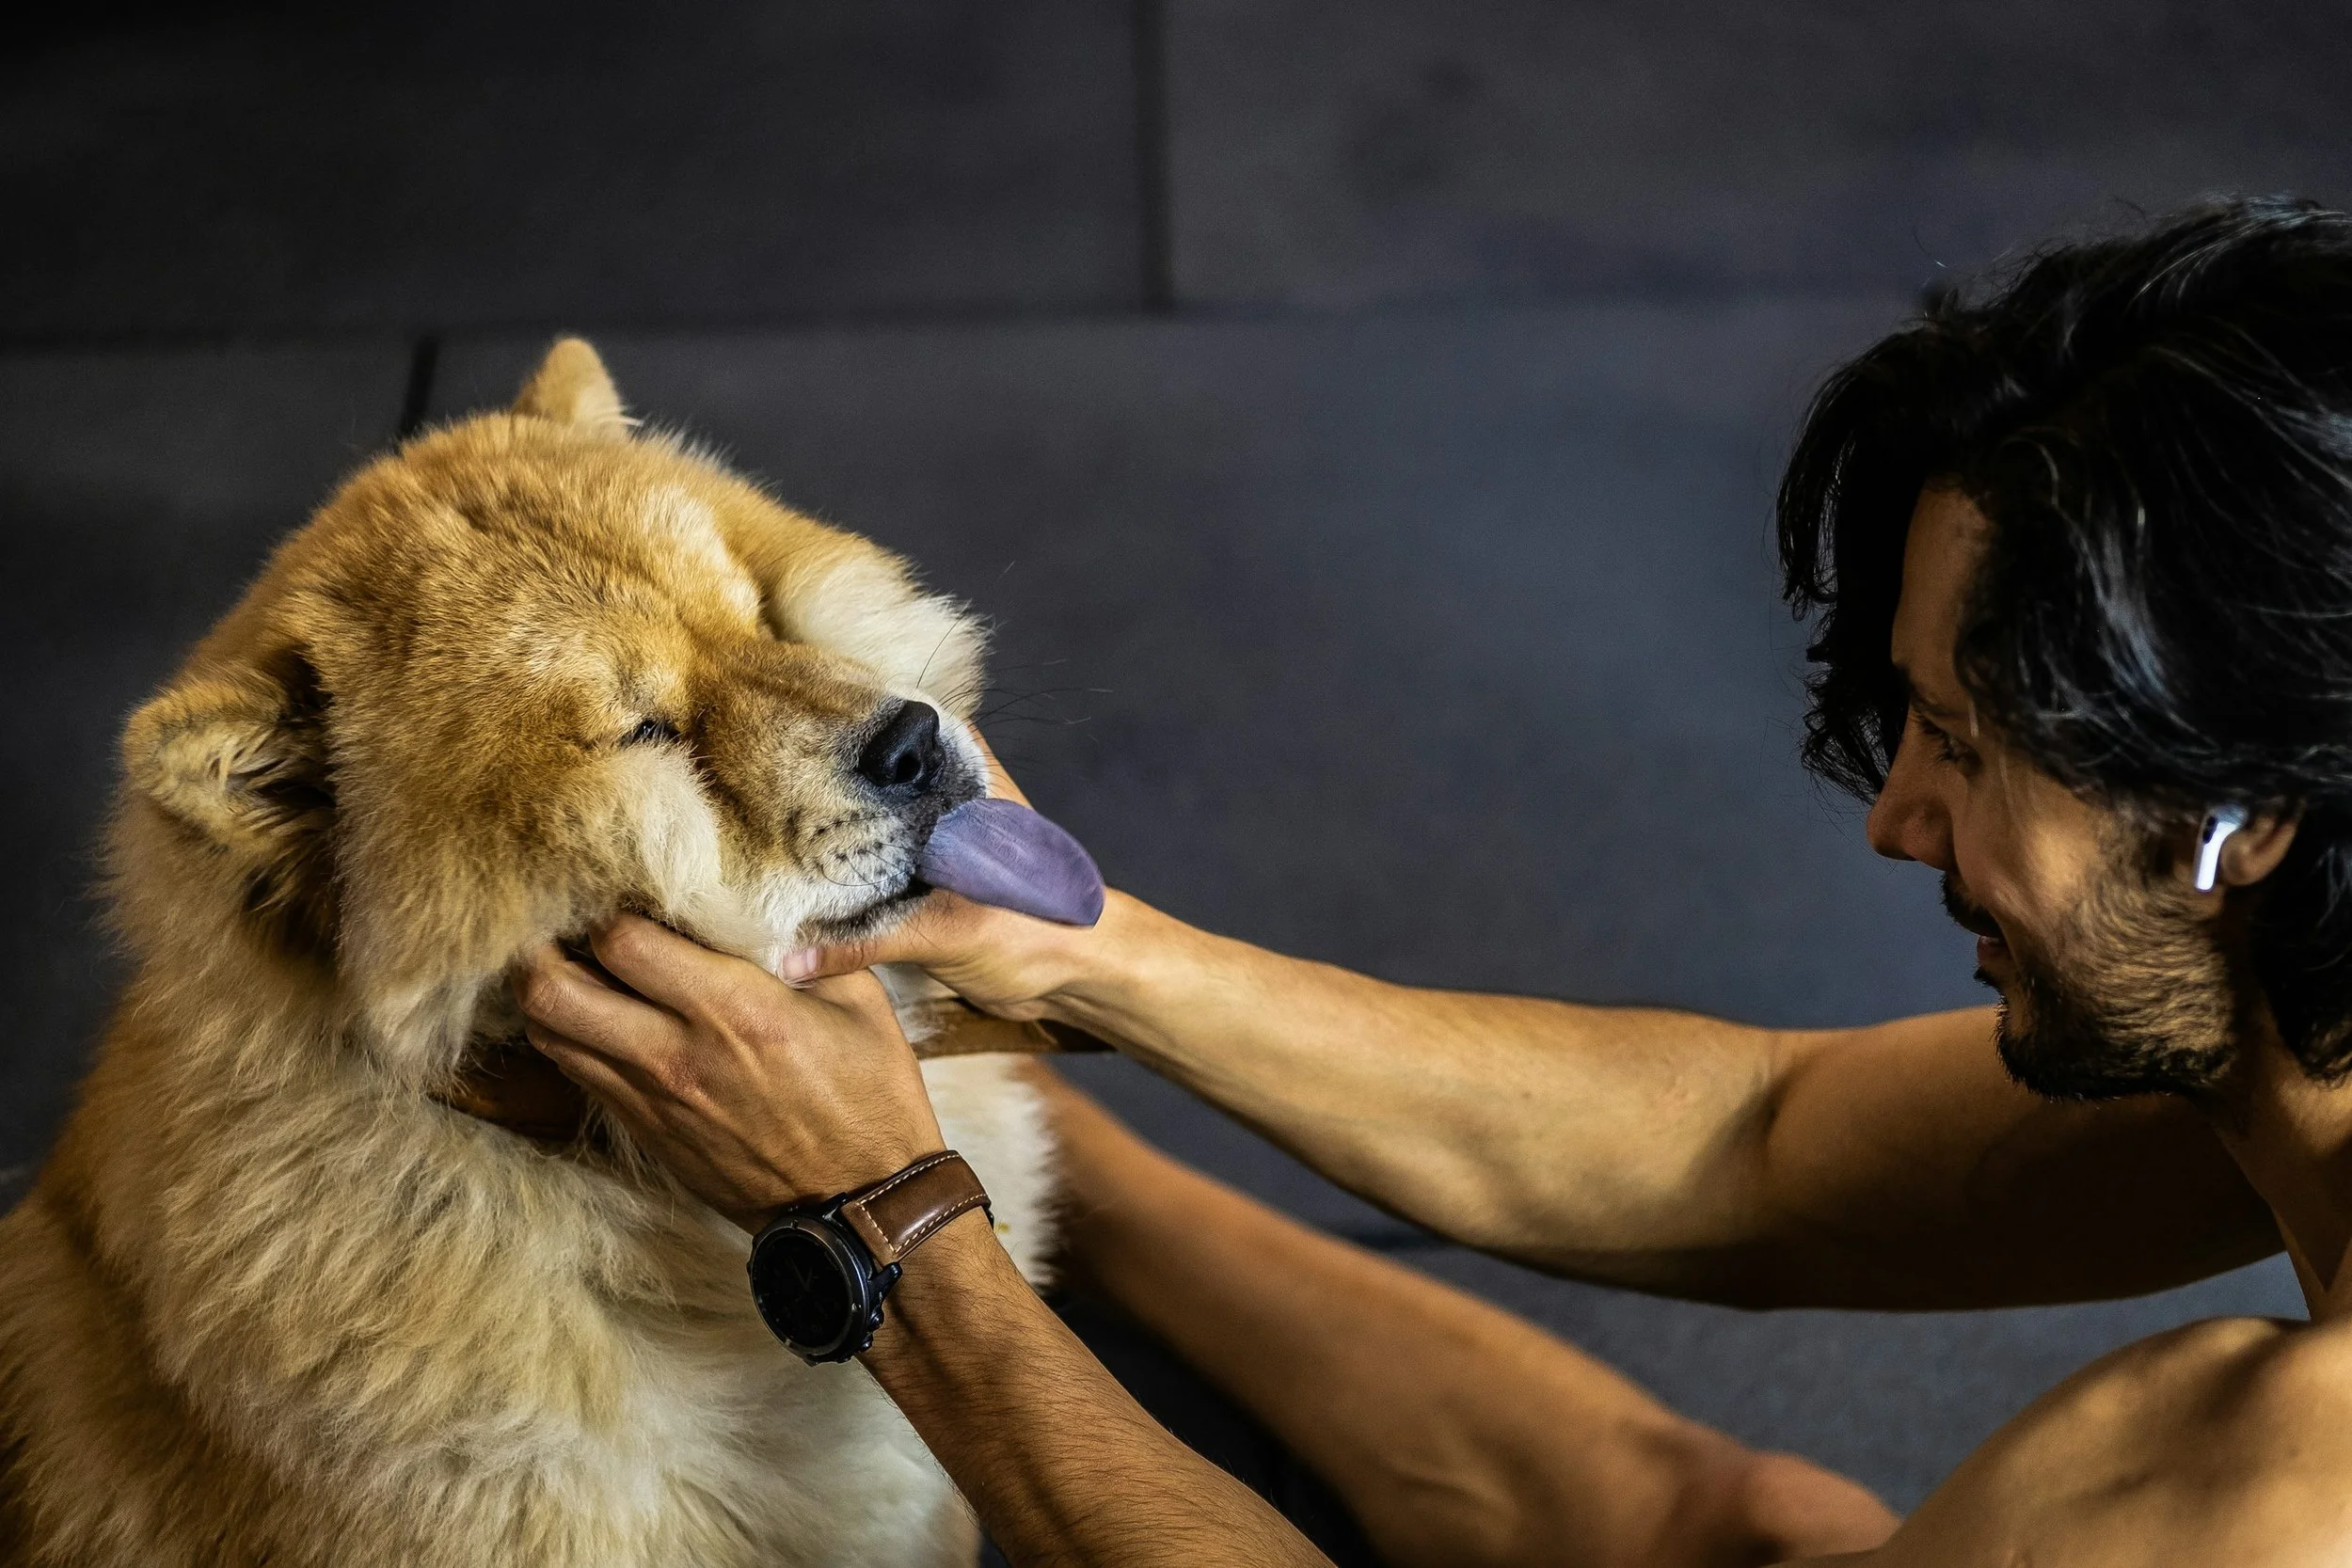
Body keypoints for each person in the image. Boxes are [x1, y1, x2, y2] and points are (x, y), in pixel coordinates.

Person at [512, 198, 2352, 1566]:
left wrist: (887, 1228)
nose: (1893, 813)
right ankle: (1095, 1180)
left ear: (2237, 806)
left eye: (1957, 737)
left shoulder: (2227, 1487)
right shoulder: (2287, 1005)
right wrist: (1087, 967)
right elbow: (1763, 1151)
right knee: (1750, 1528)